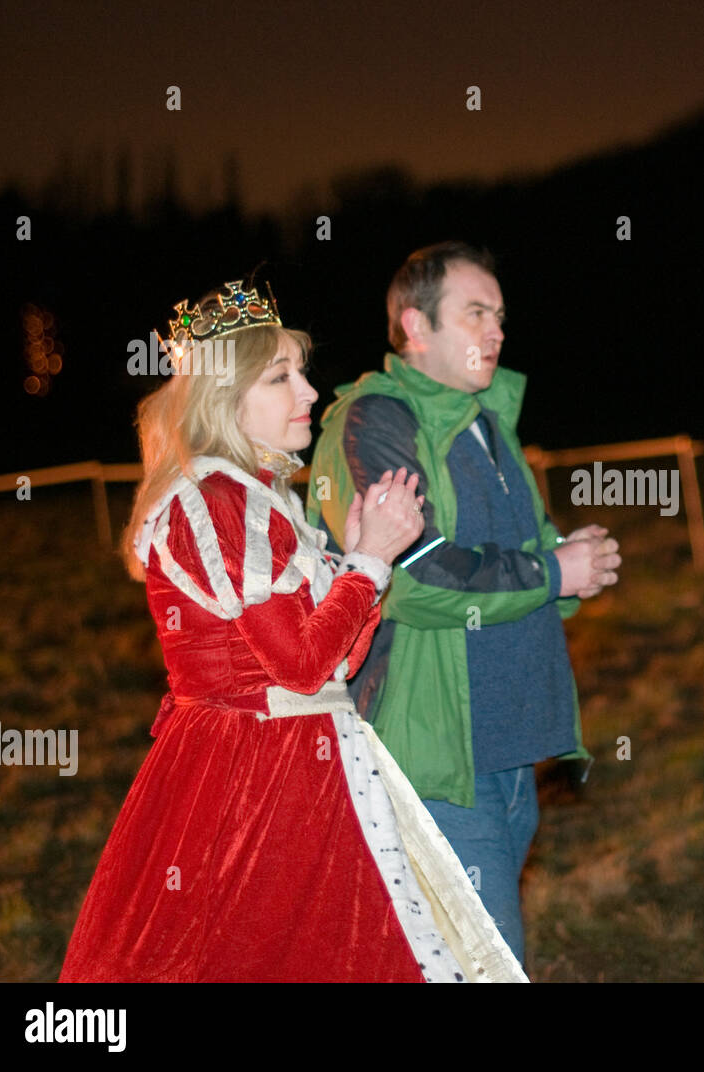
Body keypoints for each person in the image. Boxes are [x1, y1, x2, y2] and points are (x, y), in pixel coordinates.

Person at [60, 279, 525, 983]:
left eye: (300, 373)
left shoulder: (263, 498)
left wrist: (370, 556)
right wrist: (368, 559)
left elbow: (334, 668)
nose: (308, 393)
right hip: (253, 779)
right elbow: (303, 667)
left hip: (308, 762)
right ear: (224, 398)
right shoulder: (215, 501)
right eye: (280, 378)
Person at [306, 242, 620, 964]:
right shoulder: (377, 420)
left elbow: (528, 547)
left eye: (500, 315)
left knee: (449, 960)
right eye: (475, 313)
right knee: (486, 964)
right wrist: (550, 575)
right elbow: (410, 575)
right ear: (416, 326)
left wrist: (575, 567)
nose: (497, 331)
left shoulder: (487, 416)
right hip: (436, 751)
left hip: (512, 744)